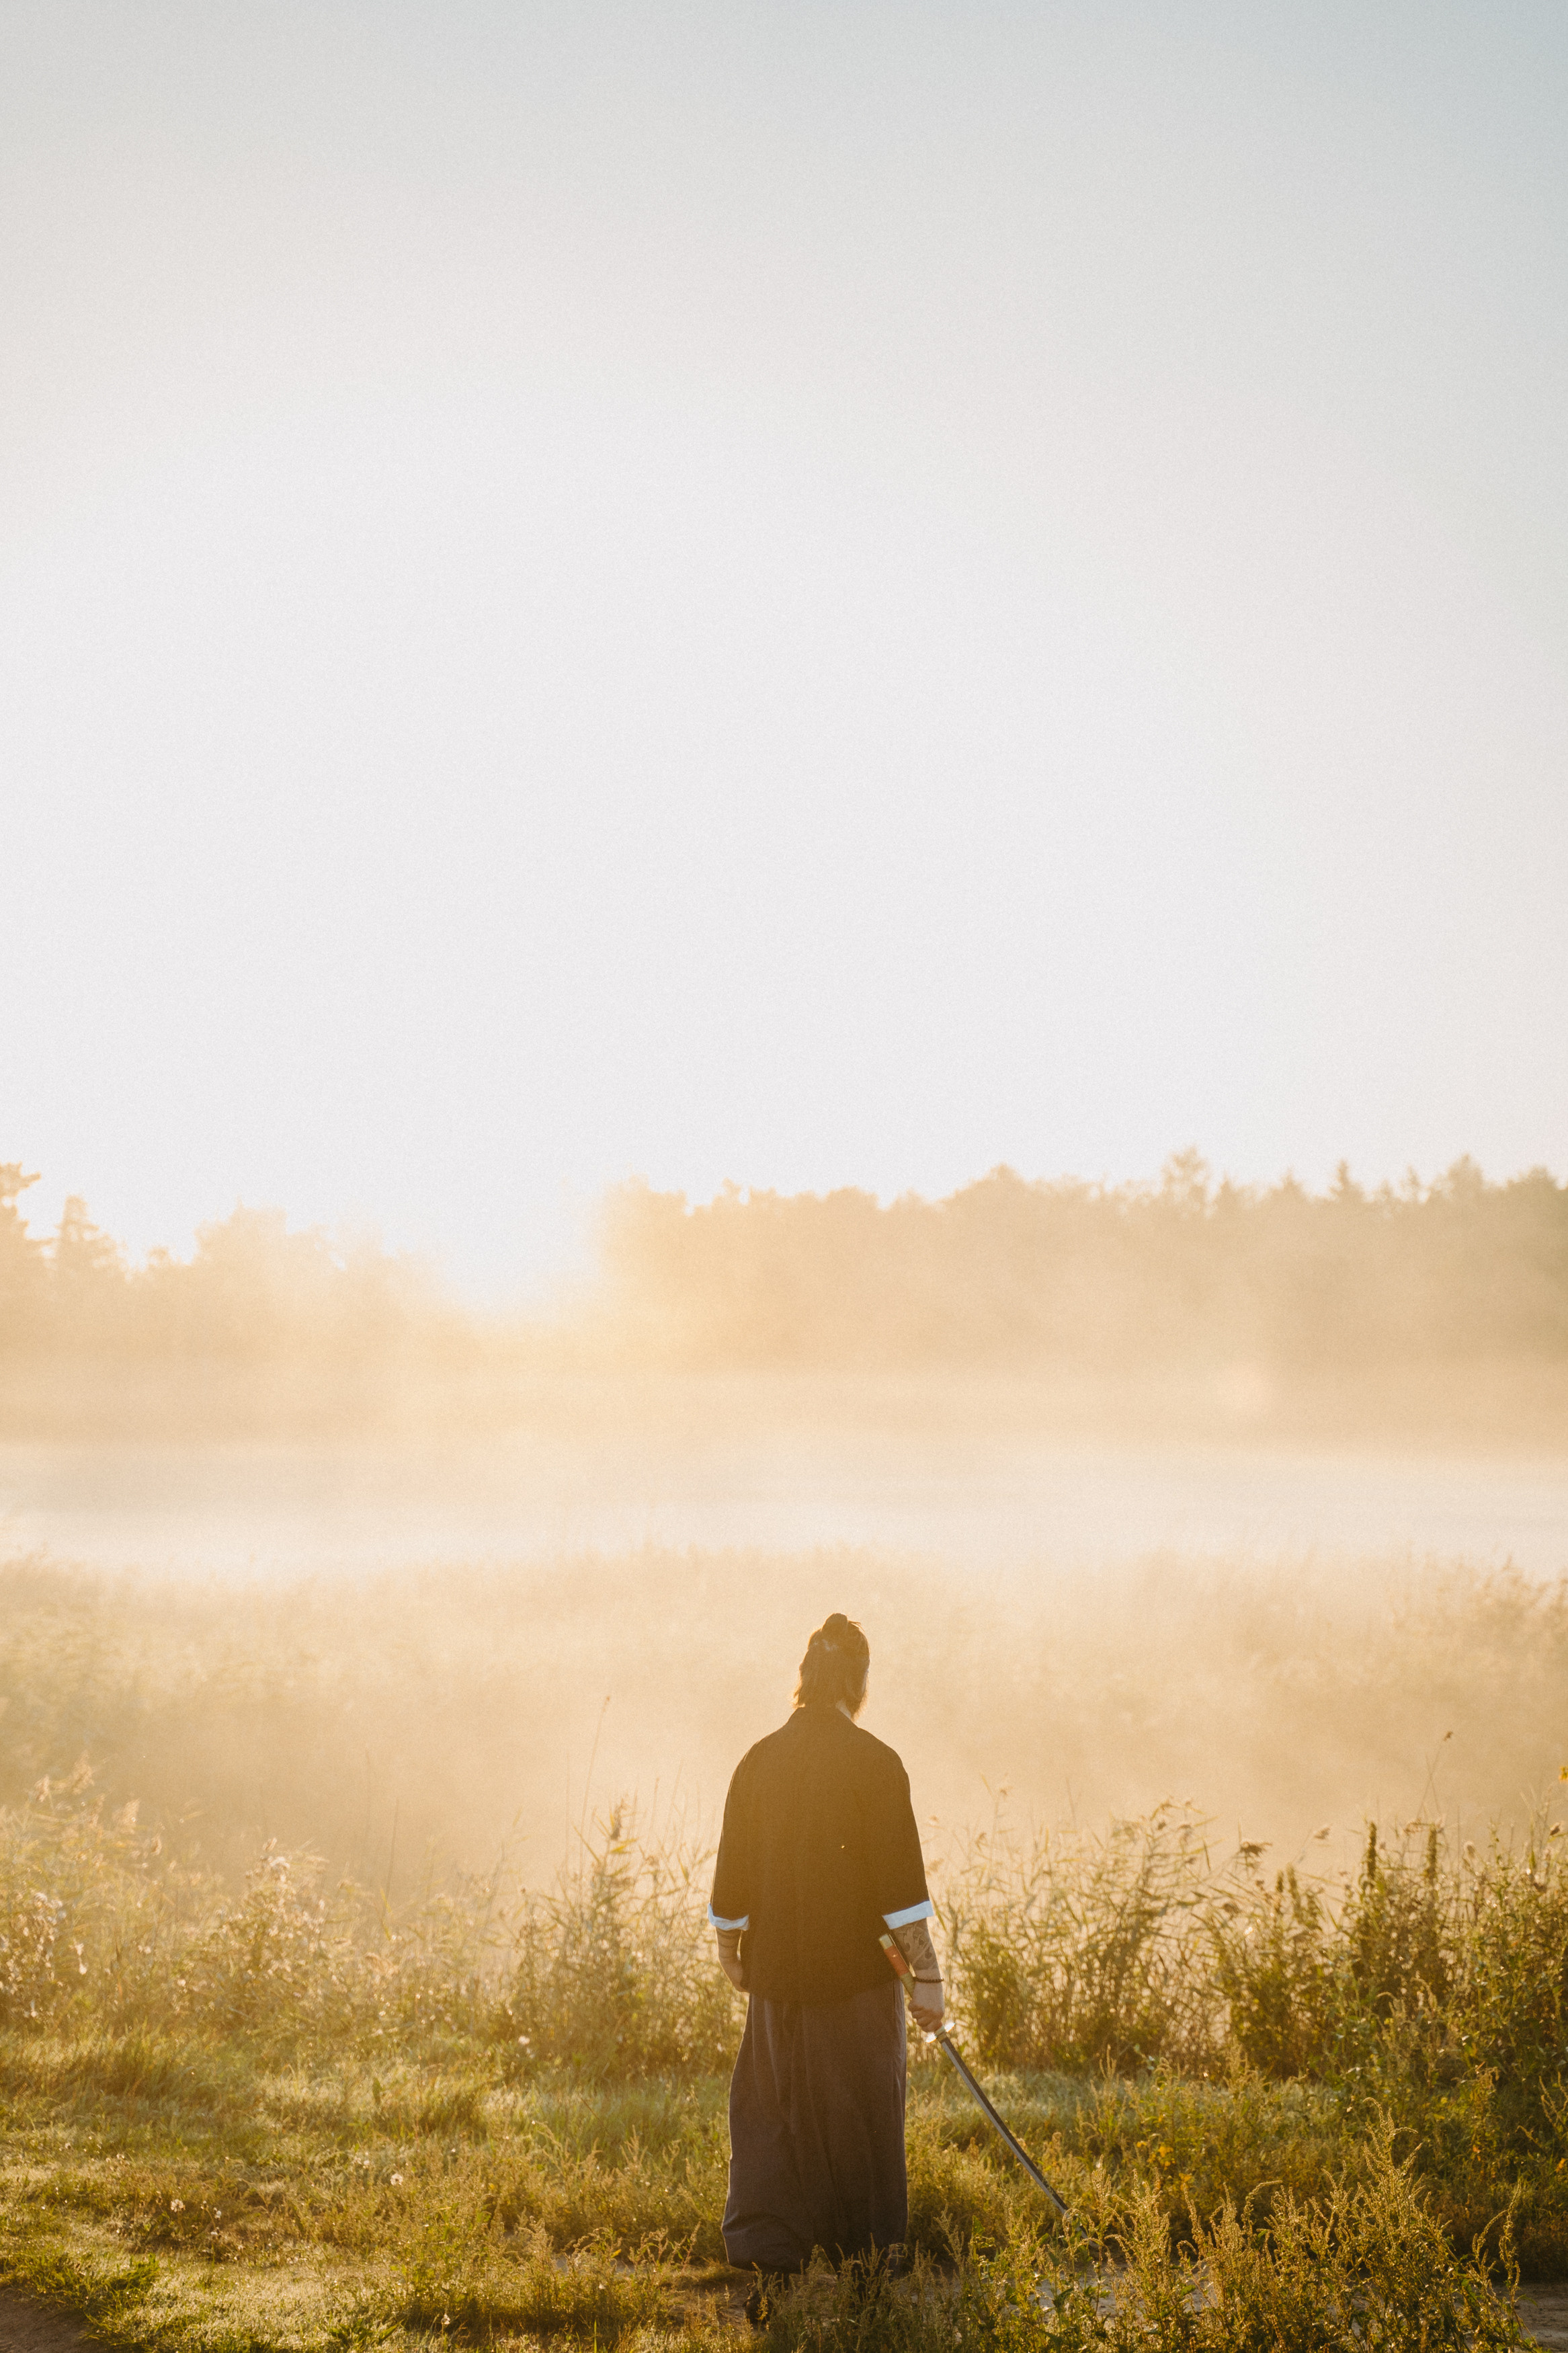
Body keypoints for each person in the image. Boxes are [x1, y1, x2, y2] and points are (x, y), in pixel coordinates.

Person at [708, 1611, 943, 2297]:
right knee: (860, 2120)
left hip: (776, 1982)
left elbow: (731, 1876)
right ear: (856, 1682)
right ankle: (865, 2275)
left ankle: (771, 2274)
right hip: (857, 1987)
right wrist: (927, 1978)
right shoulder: (876, 1762)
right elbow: (901, 1894)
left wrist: (730, 1949)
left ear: (804, 1677)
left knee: (773, 2120)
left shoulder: (758, 1759)